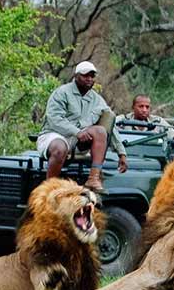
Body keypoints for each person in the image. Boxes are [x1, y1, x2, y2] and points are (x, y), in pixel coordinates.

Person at [37, 61, 127, 192]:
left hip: (78, 142)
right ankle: (49, 188)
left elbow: (110, 123)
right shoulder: (62, 93)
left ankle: (93, 178)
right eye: (85, 76)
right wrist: (77, 132)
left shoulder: (97, 99)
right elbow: (54, 119)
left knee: (101, 131)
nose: (89, 79)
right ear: (76, 76)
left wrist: (121, 153)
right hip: (54, 135)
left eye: (92, 76)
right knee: (60, 148)